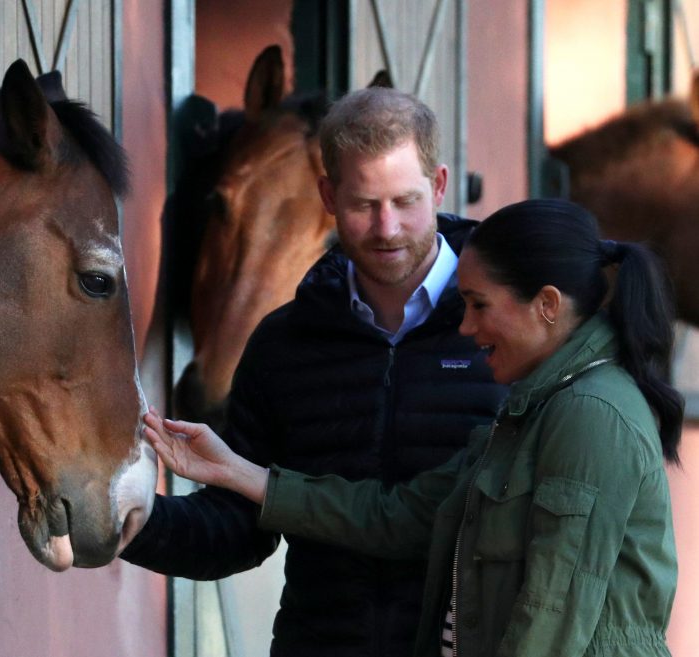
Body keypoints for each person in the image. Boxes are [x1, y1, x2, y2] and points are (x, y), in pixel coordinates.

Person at [144, 198, 684, 657]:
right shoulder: (536, 408)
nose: (466, 327)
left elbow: (552, 615)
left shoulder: (590, 414)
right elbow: (398, 516)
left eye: (477, 305)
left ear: (546, 305)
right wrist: (242, 474)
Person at [122, 87, 507, 655]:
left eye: (405, 201)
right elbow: (237, 529)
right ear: (327, 195)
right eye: (363, 204)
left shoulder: (504, 329)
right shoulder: (284, 345)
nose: (387, 228)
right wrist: (133, 524)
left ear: (440, 184)